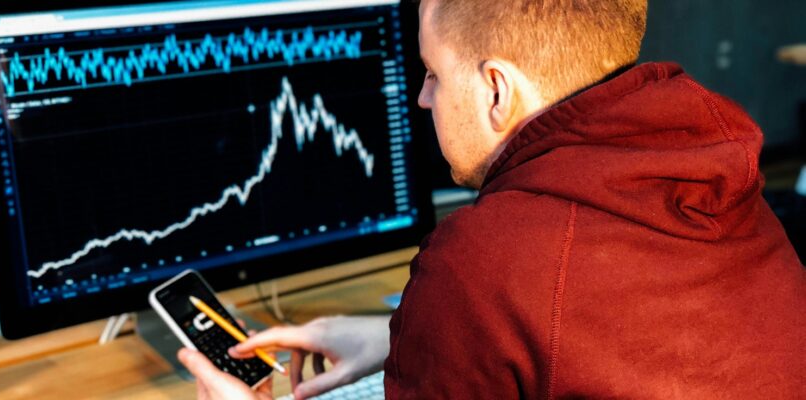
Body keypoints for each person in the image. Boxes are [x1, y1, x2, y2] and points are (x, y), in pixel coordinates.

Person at [179, 0, 806, 398]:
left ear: (497, 90)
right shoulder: (721, 181)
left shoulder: (486, 258)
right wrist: (403, 336)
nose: (423, 99)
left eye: (432, 74)